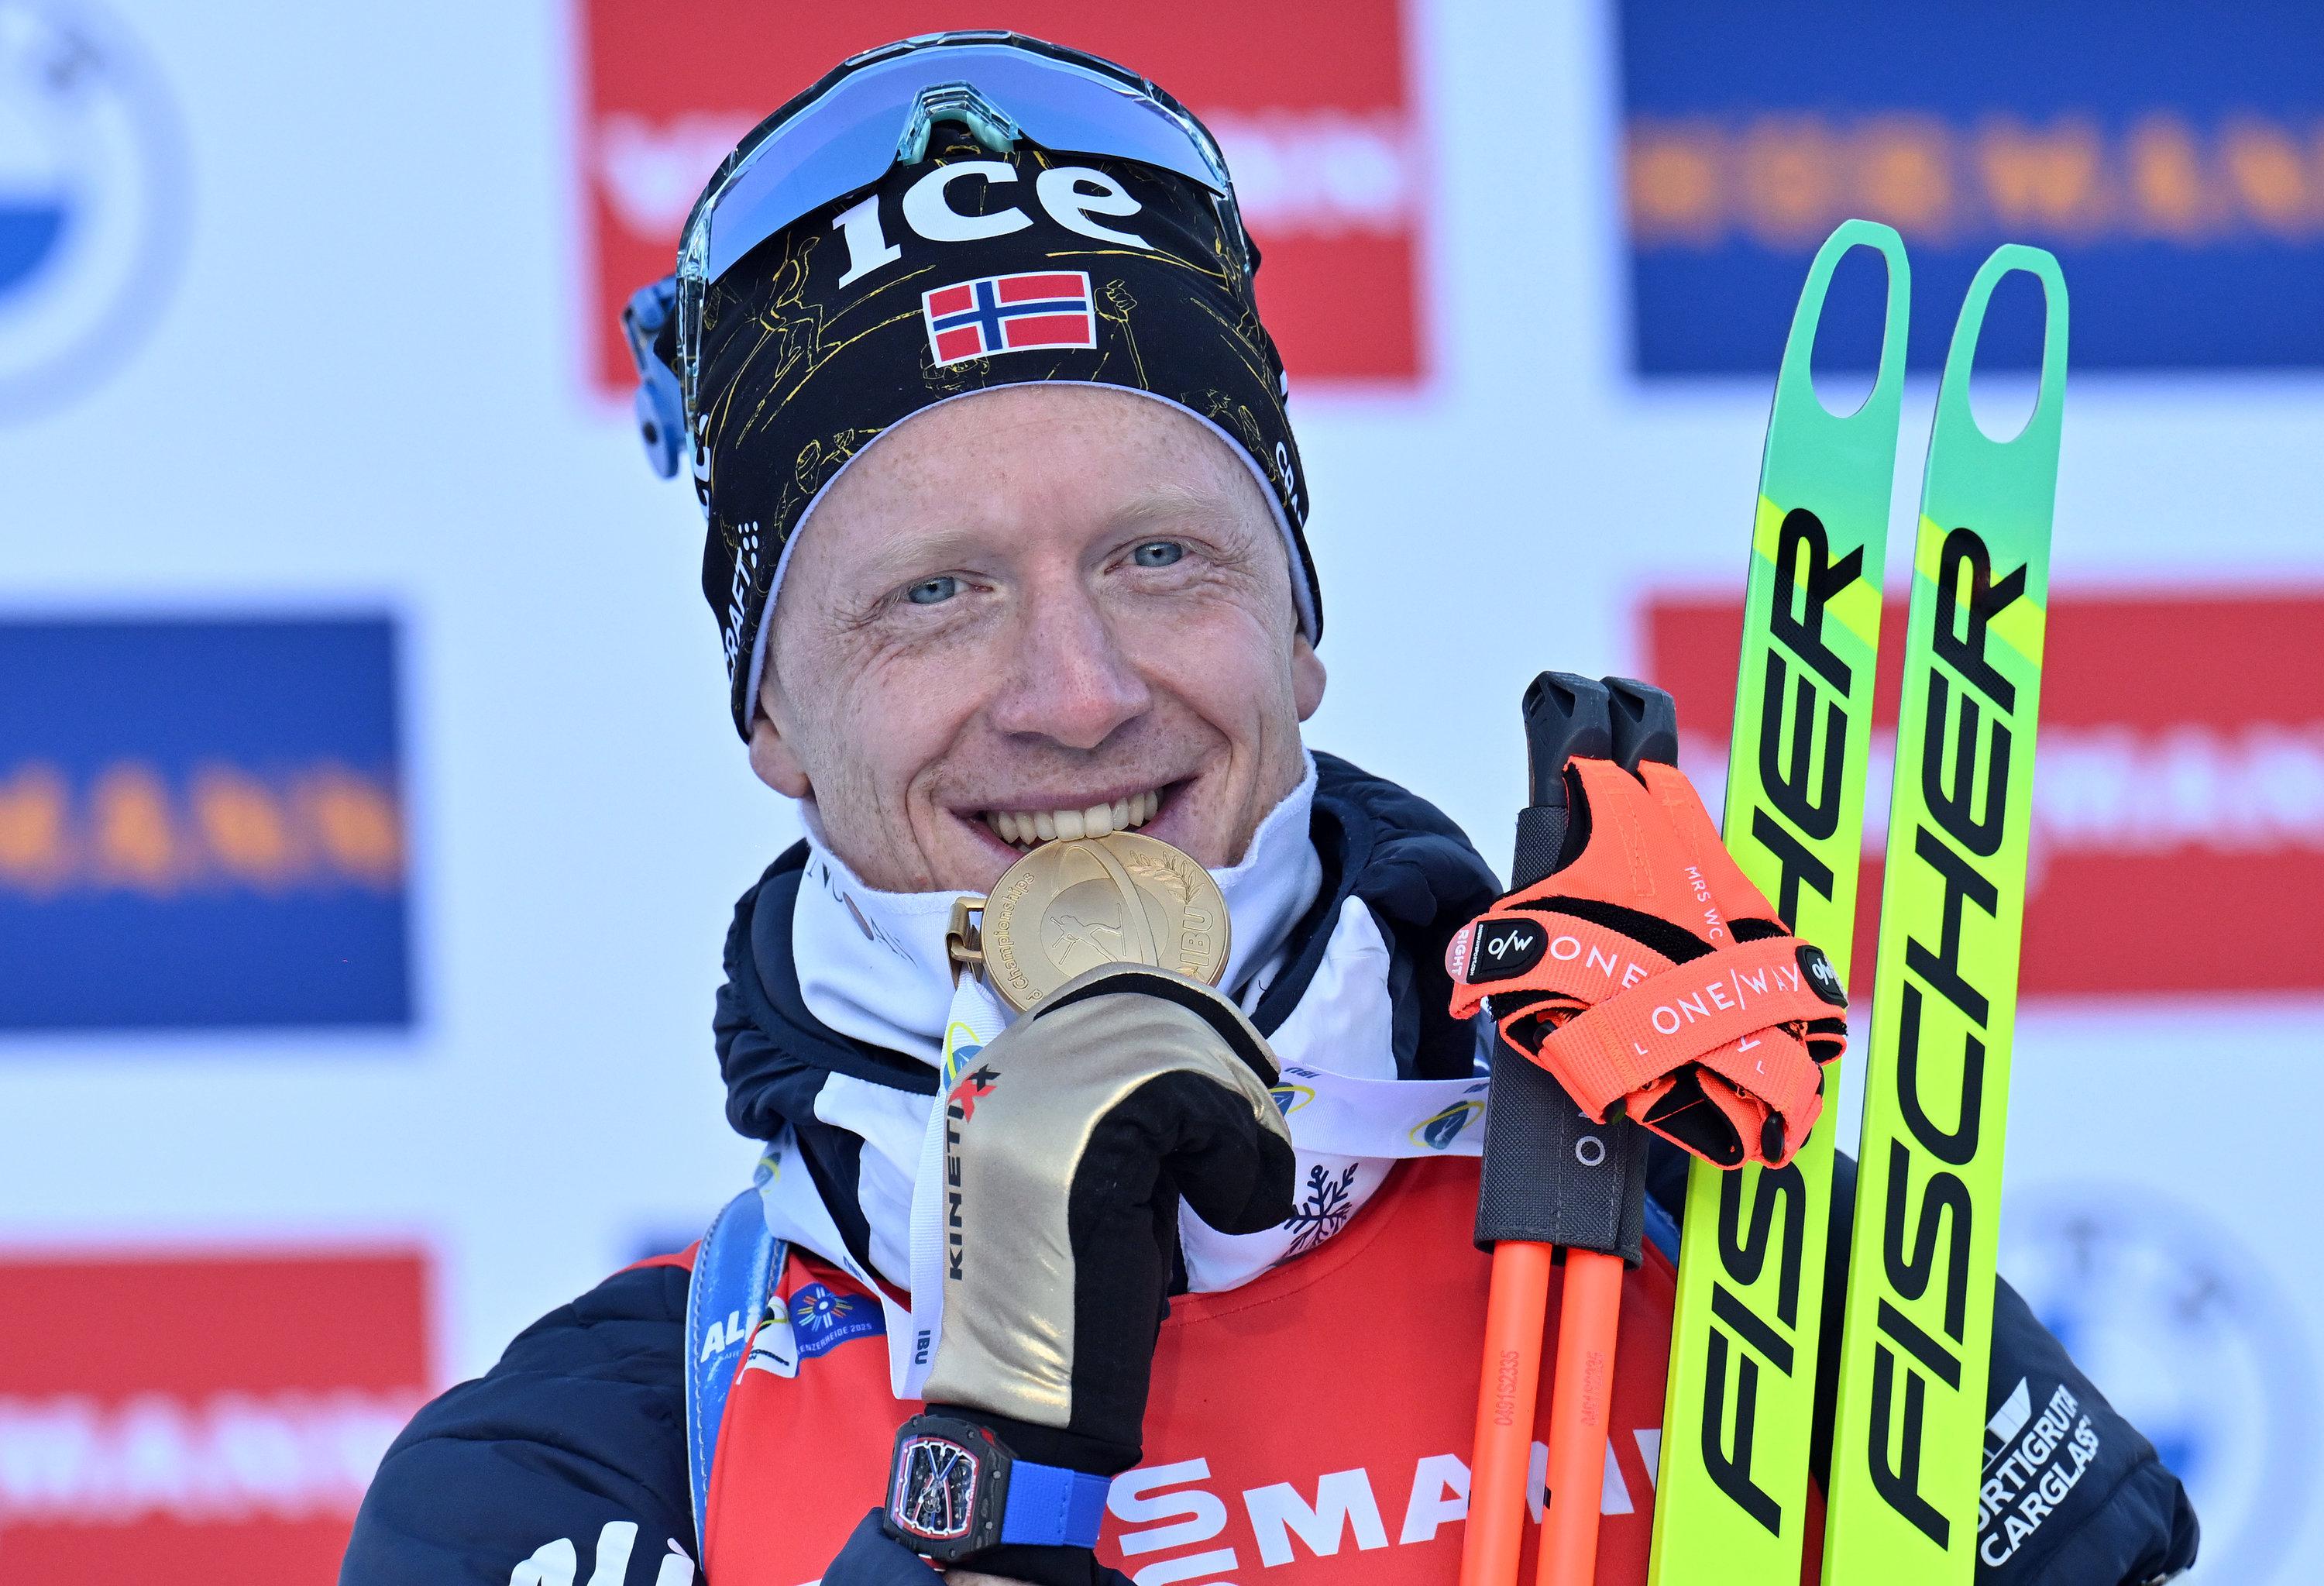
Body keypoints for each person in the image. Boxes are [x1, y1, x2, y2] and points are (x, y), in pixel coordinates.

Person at [341, 33, 2198, 1586]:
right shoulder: (589, 1465)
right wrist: (999, 1456)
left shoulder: (1725, 1242)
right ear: (770, 712)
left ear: (1300, 625)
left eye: (1163, 556)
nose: (1078, 691)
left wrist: (1745, 1226)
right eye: (934, 593)